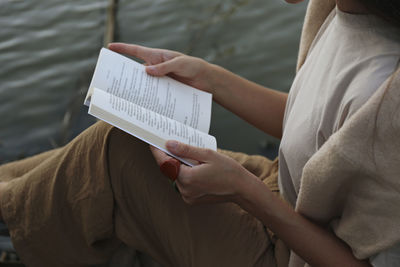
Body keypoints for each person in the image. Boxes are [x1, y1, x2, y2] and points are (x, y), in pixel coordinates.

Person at [0, 0, 399, 266]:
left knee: (116, 153)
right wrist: (210, 78)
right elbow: (320, 131)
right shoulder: (342, 10)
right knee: (121, 141)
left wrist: (245, 192)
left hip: (290, 251)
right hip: (284, 190)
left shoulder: (387, 97)